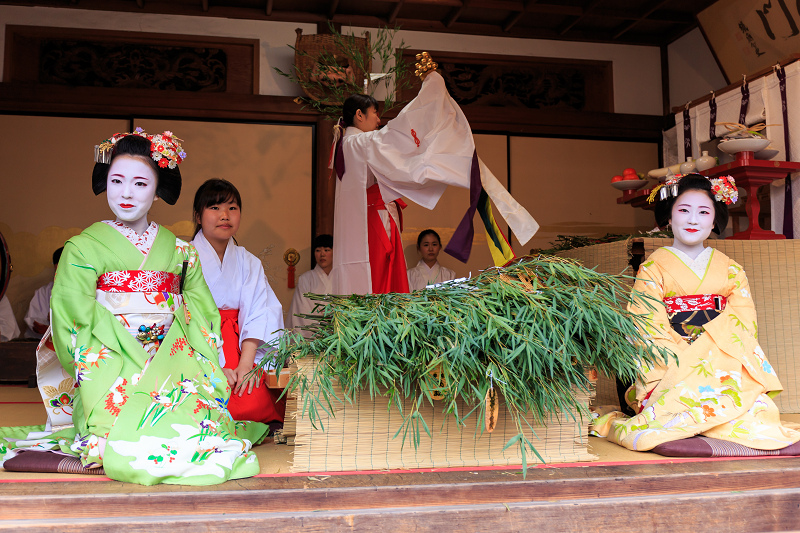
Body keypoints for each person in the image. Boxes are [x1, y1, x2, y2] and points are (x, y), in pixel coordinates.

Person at [0, 130, 268, 485]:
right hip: (107, 360)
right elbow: (71, 317)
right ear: (104, 183)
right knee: (115, 437)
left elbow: (201, 311)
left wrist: (197, 357)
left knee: (199, 431)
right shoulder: (82, 248)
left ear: (158, 190)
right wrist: (100, 361)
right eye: (116, 181)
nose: (126, 193)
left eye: (140, 183)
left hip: (172, 360)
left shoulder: (180, 251)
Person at [597, 173, 800, 456]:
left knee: (759, 410)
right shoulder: (653, 268)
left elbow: (743, 320)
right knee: (677, 403)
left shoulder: (730, 268)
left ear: (715, 220)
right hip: (673, 359)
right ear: (668, 217)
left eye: (703, 212)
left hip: (723, 356)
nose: (693, 220)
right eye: (683, 211)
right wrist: (685, 354)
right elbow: (646, 322)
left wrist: (709, 349)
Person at [330, 64, 539, 296]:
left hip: (365, 222)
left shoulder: (344, 144)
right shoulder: (359, 143)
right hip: (374, 223)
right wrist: (432, 88)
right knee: (379, 283)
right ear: (359, 115)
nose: (379, 120)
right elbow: (392, 137)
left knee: (373, 282)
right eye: (375, 113)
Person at [191, 178, 285, 428]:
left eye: (232, 208)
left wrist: (246, 365)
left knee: (250, 400)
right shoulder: (184, 258)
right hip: (197, 344)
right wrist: (217, 366)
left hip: (239, 344)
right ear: (198, 216)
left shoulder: (248, 261)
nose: (225, 215)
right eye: (215, 208)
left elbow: (259, 312)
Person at [288, 234, 333, 335]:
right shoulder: (305, 279)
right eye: (318, 250)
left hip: (338, 332)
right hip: (313, 334)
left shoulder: (341, 277)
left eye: (326, 250)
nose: (322, 254)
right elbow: (301, 310)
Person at [23, 247, 63, 339]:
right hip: (46, 343)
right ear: (54, 267)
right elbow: (34, 321)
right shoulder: (44, 292)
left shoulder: (87, 290)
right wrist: (47, 327)